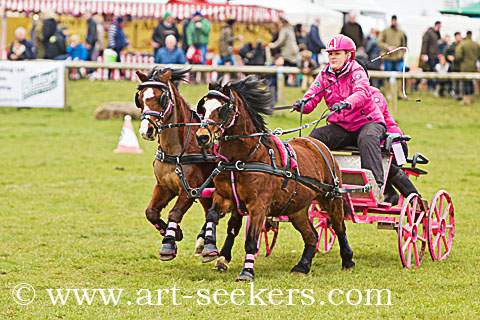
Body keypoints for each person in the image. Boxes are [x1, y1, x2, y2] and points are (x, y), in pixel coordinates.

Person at [293, 35, 386, 188]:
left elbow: (362, 92)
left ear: (348, 55)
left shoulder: (357, 71)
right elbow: (313, 95)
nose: (332, 57)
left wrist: (346, 103)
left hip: (368, 122)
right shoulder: (324, 74)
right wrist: (303, 104)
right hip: (343, 126)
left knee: (367, 137)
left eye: (337, 53)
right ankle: (311, 180)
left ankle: (374, 185)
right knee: (314, 138)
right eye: (330, 54)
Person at [454, 30, 480, 105]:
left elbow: (458, 56)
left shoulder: (462, 44)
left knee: (465, 83)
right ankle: (471, 97)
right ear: (471, 35)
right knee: (471, 82)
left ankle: (466, 98)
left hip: (464, 67)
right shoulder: (476, 45)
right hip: (473, 67)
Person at [444, 32, 462, 99]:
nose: (459, 38)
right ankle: (455, 94)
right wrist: (448, 57)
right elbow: (446, 53)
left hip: (460, 66)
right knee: (454, 82)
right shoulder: (452, 46)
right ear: (455, 37)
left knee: (460, 82)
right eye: (458, 36)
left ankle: (460, 95)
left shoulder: (462, 45)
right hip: (454, 66)